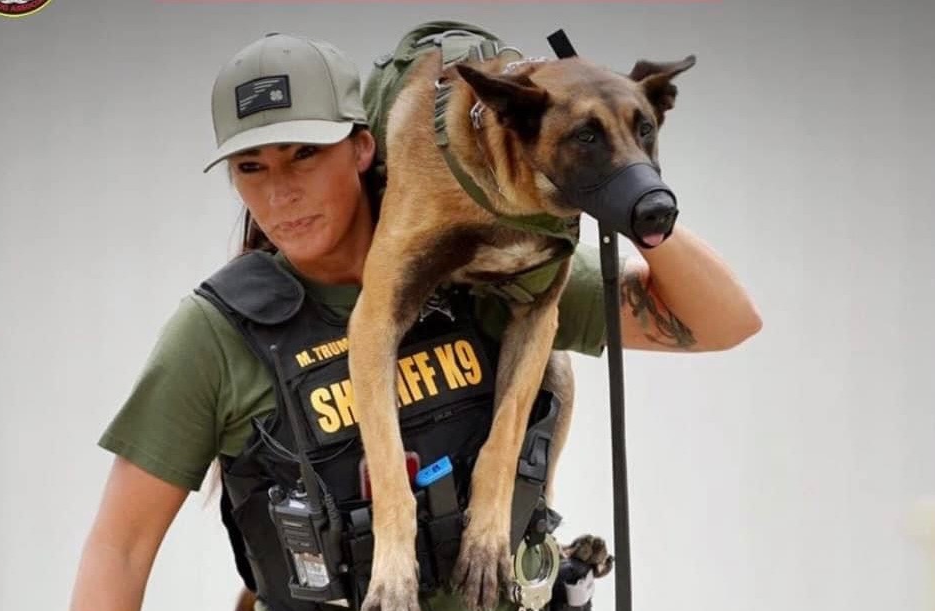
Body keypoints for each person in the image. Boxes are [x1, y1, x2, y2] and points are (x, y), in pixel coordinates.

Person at [69, 29, 762, 611]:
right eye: (251, 167)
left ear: (363, 148)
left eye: (306, 154)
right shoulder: (218, 335)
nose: (280, 193)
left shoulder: (492, 268)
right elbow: (120, 548)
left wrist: (624, 183)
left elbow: (725, 321)